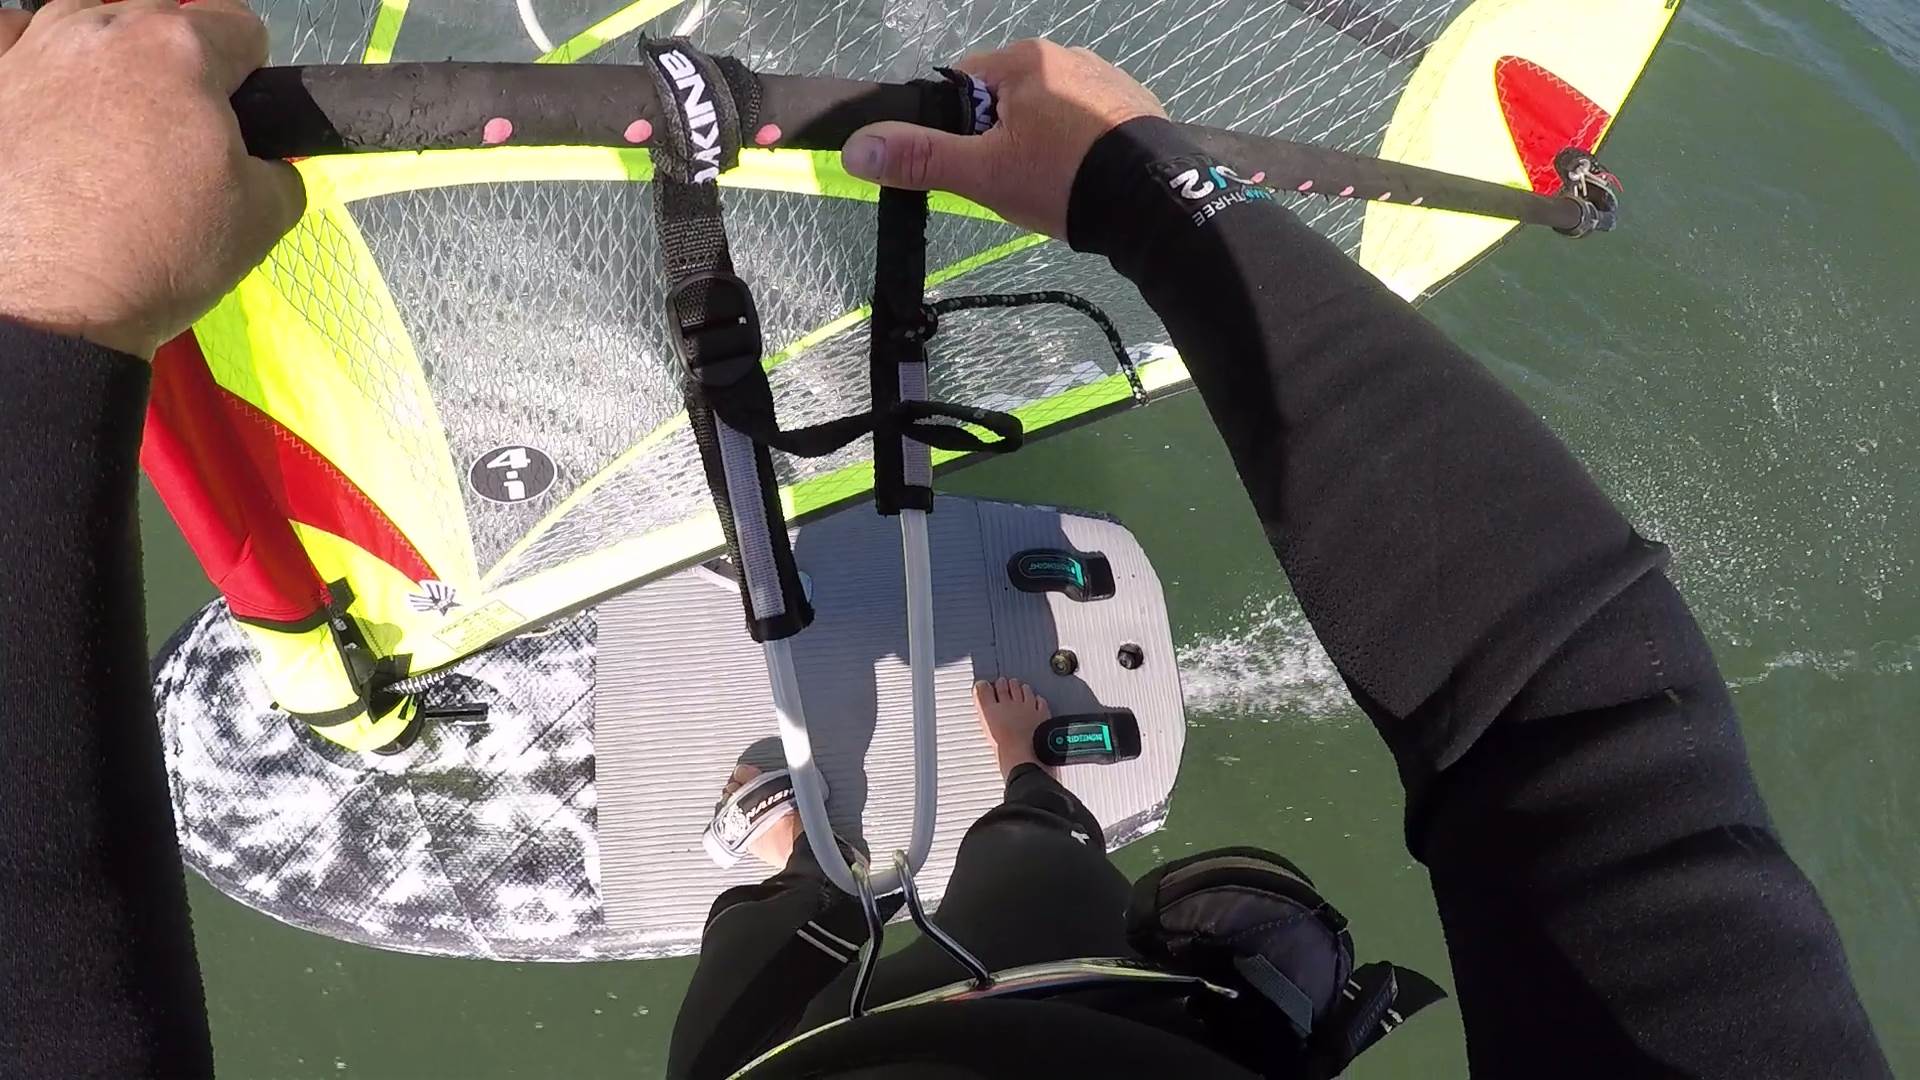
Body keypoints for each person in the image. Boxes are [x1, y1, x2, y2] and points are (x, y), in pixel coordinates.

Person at [0, 2, 1892, 1077]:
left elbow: (1580, 728)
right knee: (1047, 886)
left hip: (839, 1057)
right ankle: (1025, 805)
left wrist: (52, 308)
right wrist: (1159, 197)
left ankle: (814, 863)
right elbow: (1584, 731)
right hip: (1124, 1031)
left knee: (796, 939)